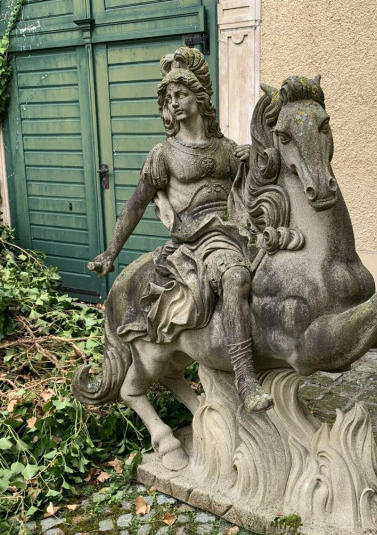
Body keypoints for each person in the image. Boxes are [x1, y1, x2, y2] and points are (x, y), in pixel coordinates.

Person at [88, 47, 273, 413]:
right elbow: (135, 205)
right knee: (235, 277)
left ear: (199, 98)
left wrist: (254, 162)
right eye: (169, 97)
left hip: (239, 234)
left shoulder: (227, 148)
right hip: (200, 242)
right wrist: (111, 251)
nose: (174, 102)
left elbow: (254, 195)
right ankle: (245, 379)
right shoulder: (164, 154)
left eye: (182, 94)